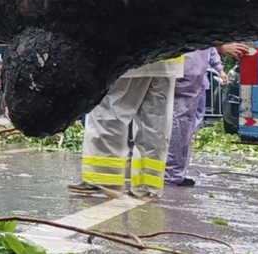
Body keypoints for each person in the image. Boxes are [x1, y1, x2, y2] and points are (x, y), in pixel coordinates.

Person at [68, 56, 183, 198]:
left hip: (132, 54)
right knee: (155, 122)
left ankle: (103, 179)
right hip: (169, 57)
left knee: (107, 109)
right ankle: (147, 186)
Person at [164, 43, 252, 187]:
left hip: (189, 70)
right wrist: (220, 47)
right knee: (180, 123)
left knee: (182, 122)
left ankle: (174, 172)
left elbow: (209, 50)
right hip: (188, 69)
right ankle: (172, 174)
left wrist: (219, 66)